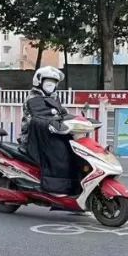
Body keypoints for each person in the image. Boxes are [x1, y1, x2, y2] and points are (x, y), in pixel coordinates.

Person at [19, 66, 76, 194]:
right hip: (33, 138)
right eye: (48, 81)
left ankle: (72, 184)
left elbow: (62, 114)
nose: (51, 85)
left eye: (54, 82)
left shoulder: (53, 98)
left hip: (48, 134)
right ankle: (56, 188)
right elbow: (41, 118)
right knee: (60, 153)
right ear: (39, 81)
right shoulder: (33, 99)